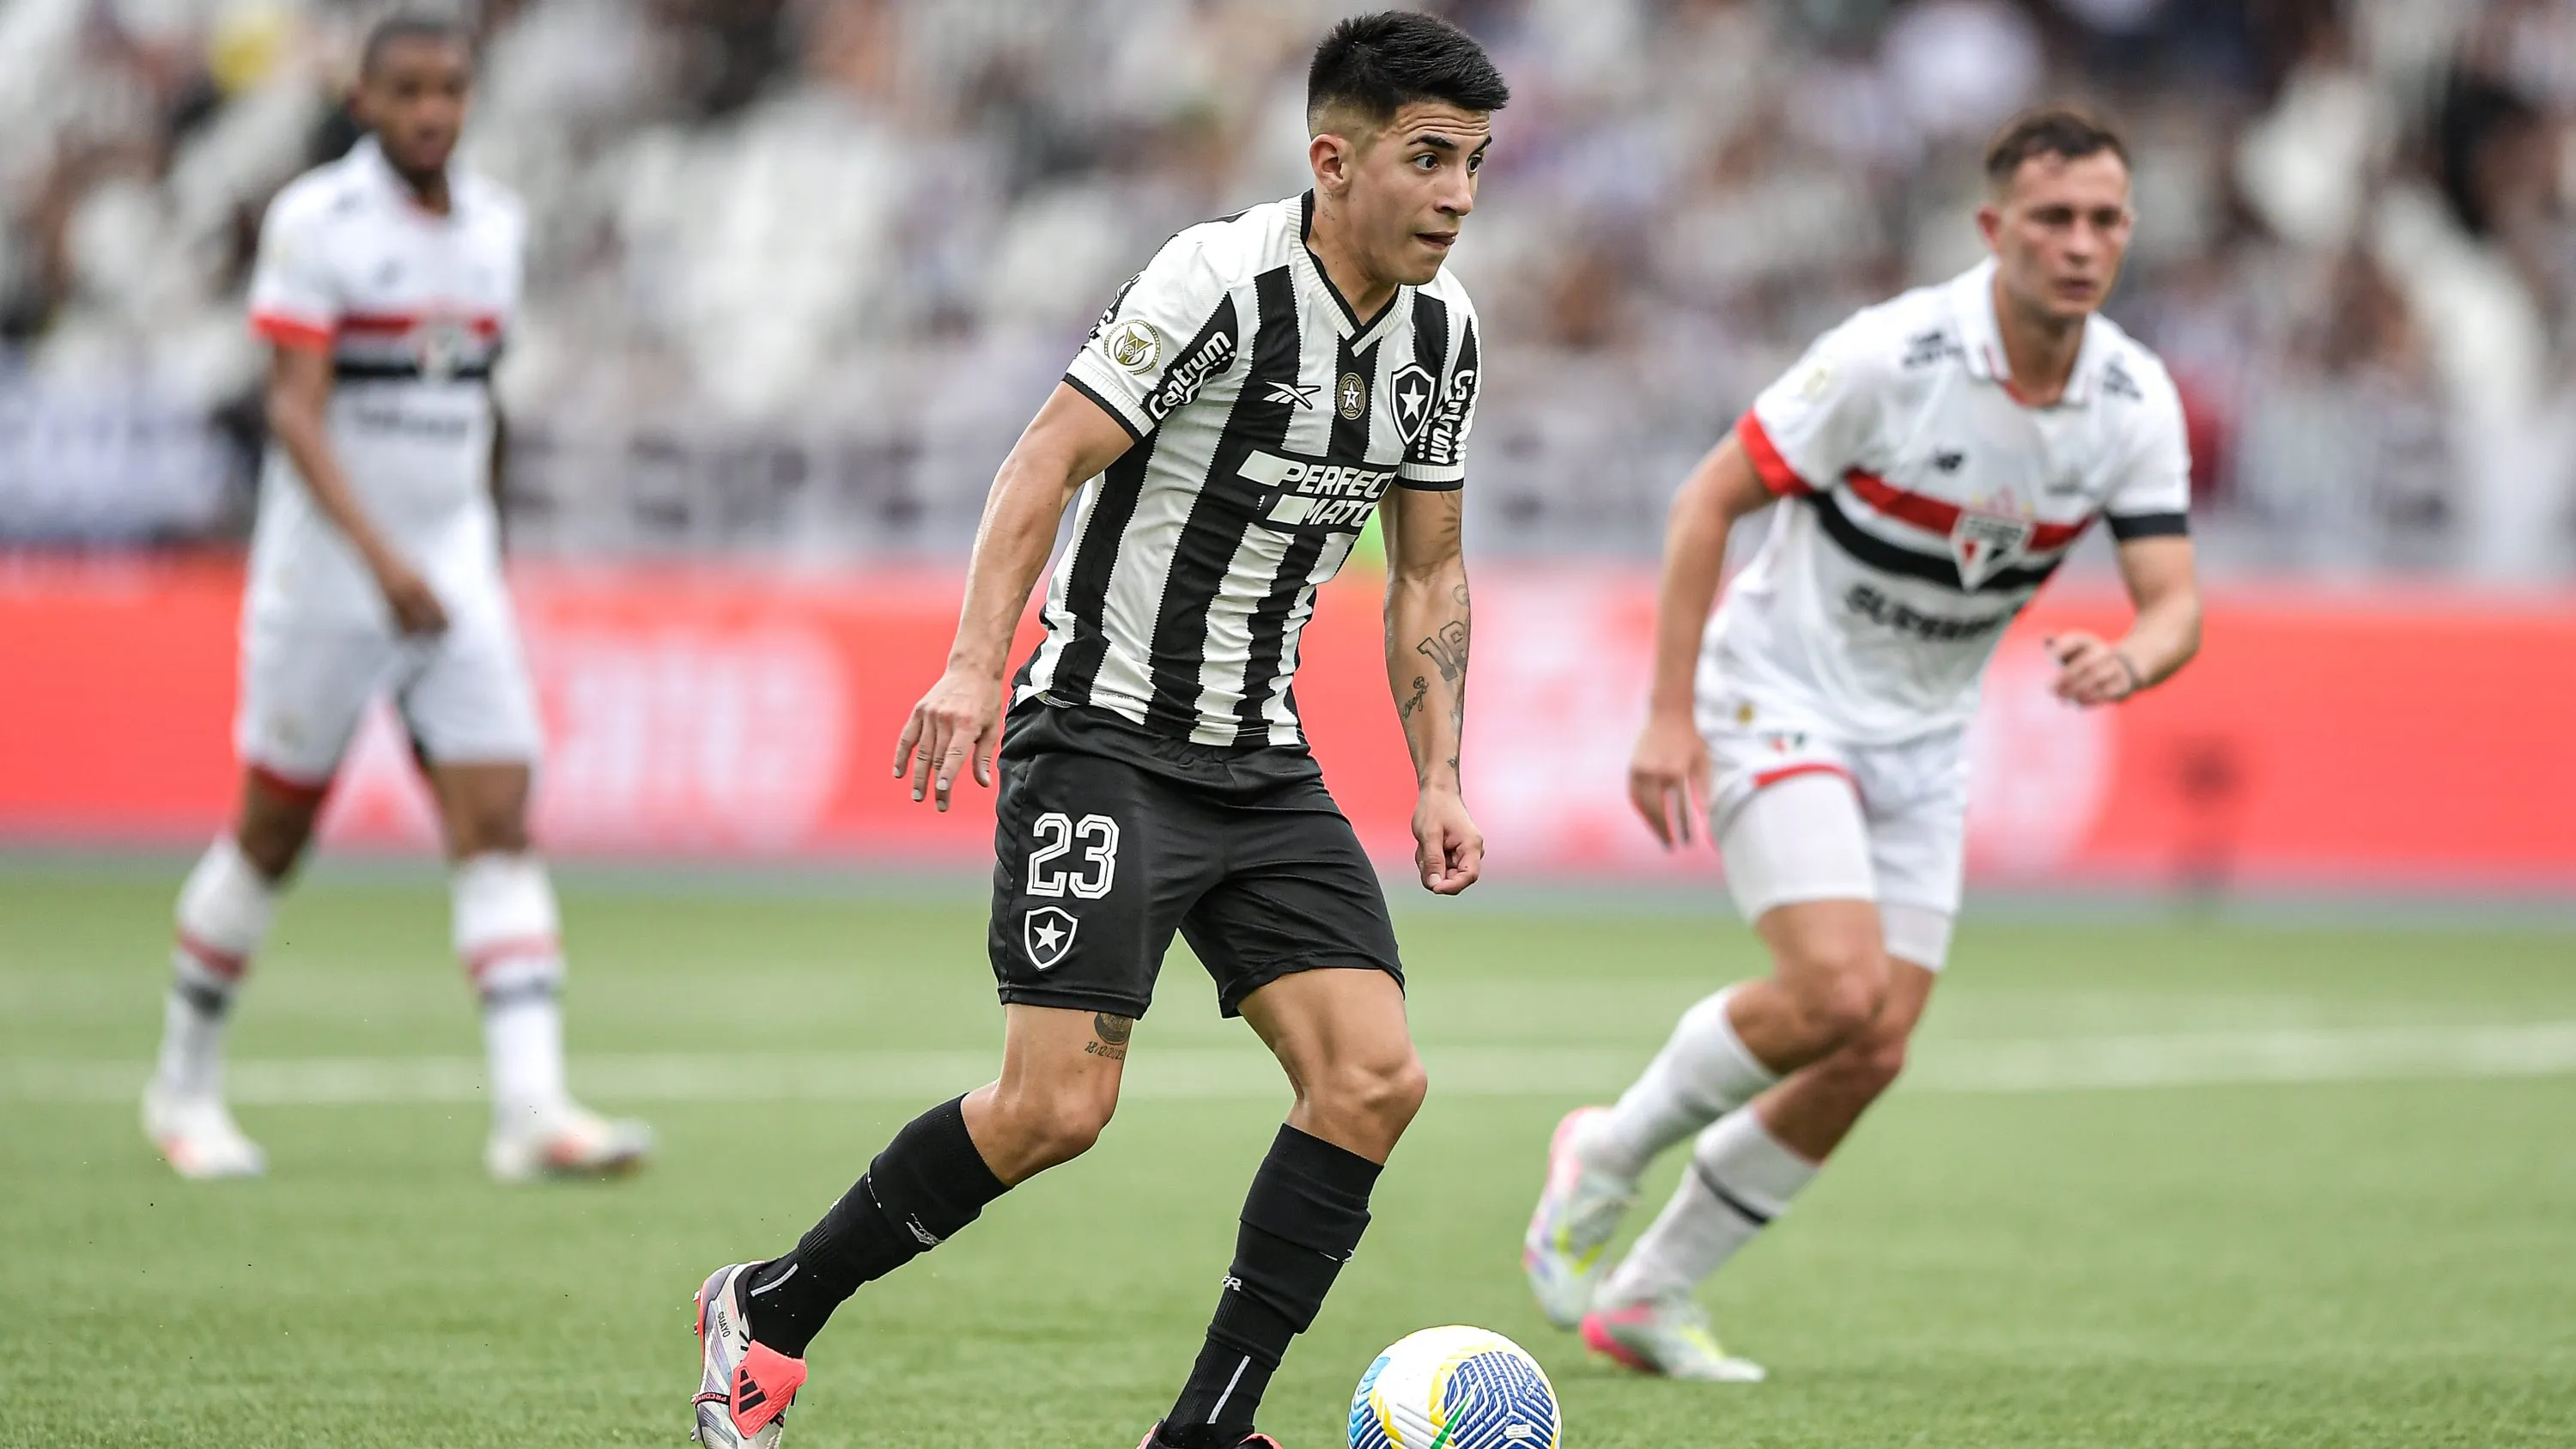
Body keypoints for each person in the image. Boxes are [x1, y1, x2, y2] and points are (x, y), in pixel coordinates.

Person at [685, 13, 1504, 1448]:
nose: (1457, 195)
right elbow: (1048, 457)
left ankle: (1206, 1429)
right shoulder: (1218, 282)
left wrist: (1439, 771)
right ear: (1333, 158)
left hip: (1260, 756)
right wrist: (968, 667)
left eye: (1476, 164)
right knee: (1054, 1109)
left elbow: (1427, 566)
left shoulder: (1443, 336)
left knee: (1373, 1078)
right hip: (1105, 737)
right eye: (1428, 159)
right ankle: (770, 1302)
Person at [1522, 106, 2204, 1380]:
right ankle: (1605, 1150)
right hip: (1779, 690)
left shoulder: (2132, 398)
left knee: (1874, 1043)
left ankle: (1652, 1295)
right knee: (1834, 988)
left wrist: (2136, 655)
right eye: (2053, 218)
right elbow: (1708, 498)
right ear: (1995, 229)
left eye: (2106, 219)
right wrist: (1669, 711)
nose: (2081, 243)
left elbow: (2174, 601)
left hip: (1928, 733)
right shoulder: (1892, 356)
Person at [140, 15, 649, 1184]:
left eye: (450, 91)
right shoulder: (315, 222)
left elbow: (477, 407)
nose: (432, 111)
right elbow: (294, 412)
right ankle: (182, 1085)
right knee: (273, 830)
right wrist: (386, 564)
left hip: (451, 571)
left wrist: (475, 556)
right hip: (329, 574)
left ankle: (531, 1109)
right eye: (408, 90)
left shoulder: (497, 226)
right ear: (363, 99)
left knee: (500, 817)